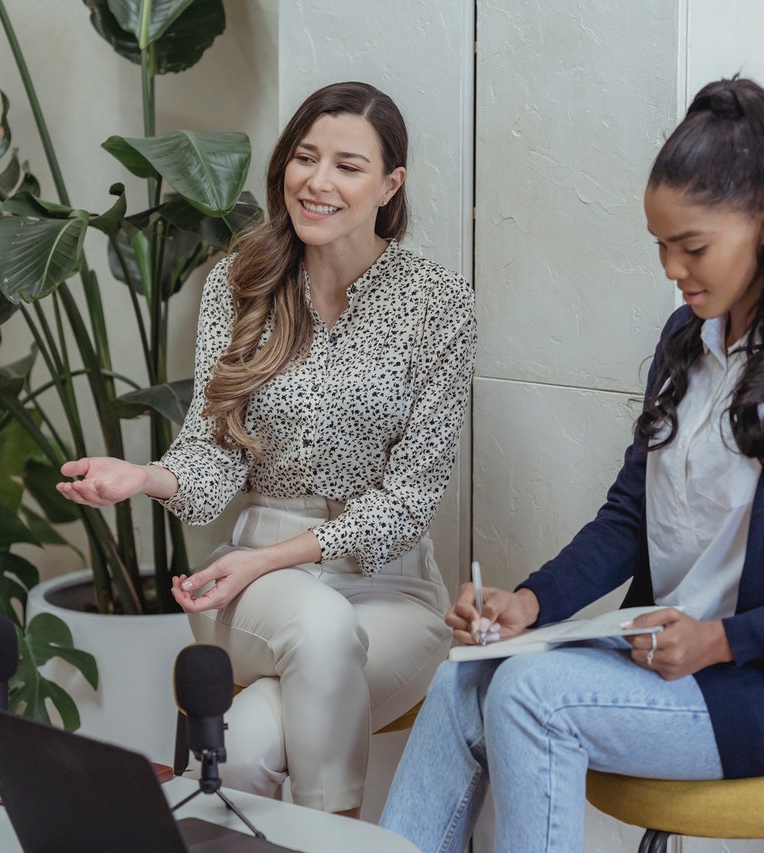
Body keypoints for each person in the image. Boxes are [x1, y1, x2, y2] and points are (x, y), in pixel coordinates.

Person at [378, 77, 764, 852]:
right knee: (464, 675)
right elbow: (630, 518)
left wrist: (719, 642)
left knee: (533, 698)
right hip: (666, 651)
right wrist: (531, 601)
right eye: (661, 245)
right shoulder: (684, 340)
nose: (672, 267)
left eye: (692, 246)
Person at [56, 82, 476, 817]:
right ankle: (341, 836)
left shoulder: (439, 304)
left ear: (390, 184)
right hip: (251, 592)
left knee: (248, 743)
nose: (318, 181)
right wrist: (145, 476)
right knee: (316, 624)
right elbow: (213, 460)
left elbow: (409, 501)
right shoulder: (241, 283)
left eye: (348, 165)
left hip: (395, 591)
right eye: (305, 158)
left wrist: (270, 557)